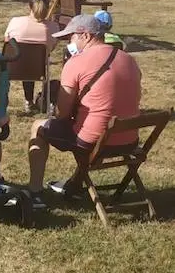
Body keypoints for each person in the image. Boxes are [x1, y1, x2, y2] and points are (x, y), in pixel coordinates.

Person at [27, 14, 142, 209]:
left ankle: (35, 190)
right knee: (93, 123)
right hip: (129, 139)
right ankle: (75, 183)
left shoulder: (77, 62)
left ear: (86, 36)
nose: (71, 42)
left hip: (94, 140)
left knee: (38, 126)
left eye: (72, 36)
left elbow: (62, 113)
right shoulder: (128, 59)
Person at [4, 0, 60, 113]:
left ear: (29, 6)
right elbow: (52, 47)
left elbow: (6, 41)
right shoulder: (54, 28)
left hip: (13, 67)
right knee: (31, 60)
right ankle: (33, 101)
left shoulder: (15, 22)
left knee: (25, 58)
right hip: (37, 68)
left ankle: (25, 101)